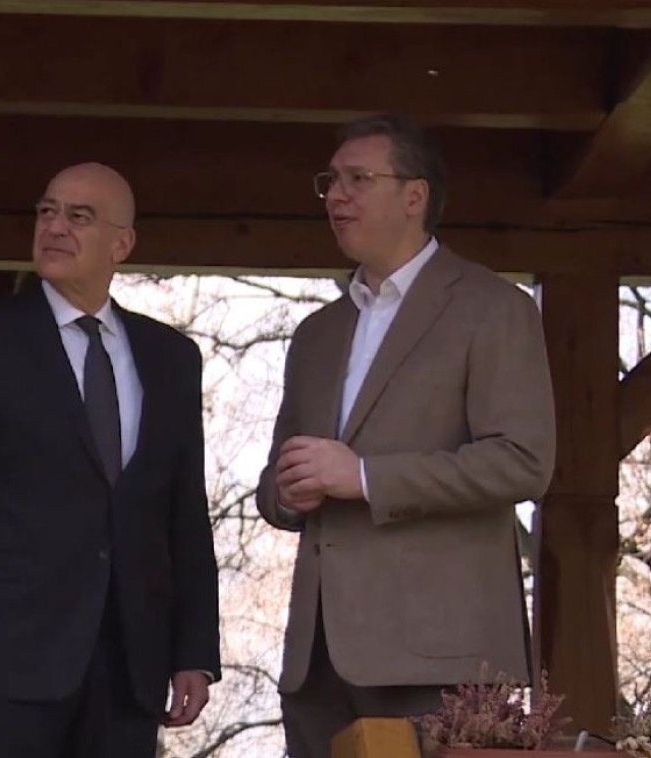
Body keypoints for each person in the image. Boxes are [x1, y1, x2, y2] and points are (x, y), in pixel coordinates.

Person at [0, 162, 221, 758]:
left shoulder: (172, 358)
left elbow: (184, 515)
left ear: (122, 243)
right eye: (47, 212)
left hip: (129, 665)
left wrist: (194, 651)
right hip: (4, 659)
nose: (56, 227)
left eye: (79, 216)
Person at [256, 114, 556, 758]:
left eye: (358, 179)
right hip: (317, 665)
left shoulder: (493, 308)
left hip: (441, 661)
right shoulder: (316, 335)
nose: (336, 196)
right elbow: (276, 483)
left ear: (415, 196)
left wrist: (364, 477)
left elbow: (522, 461)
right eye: (331, 181)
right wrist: (286, 494)